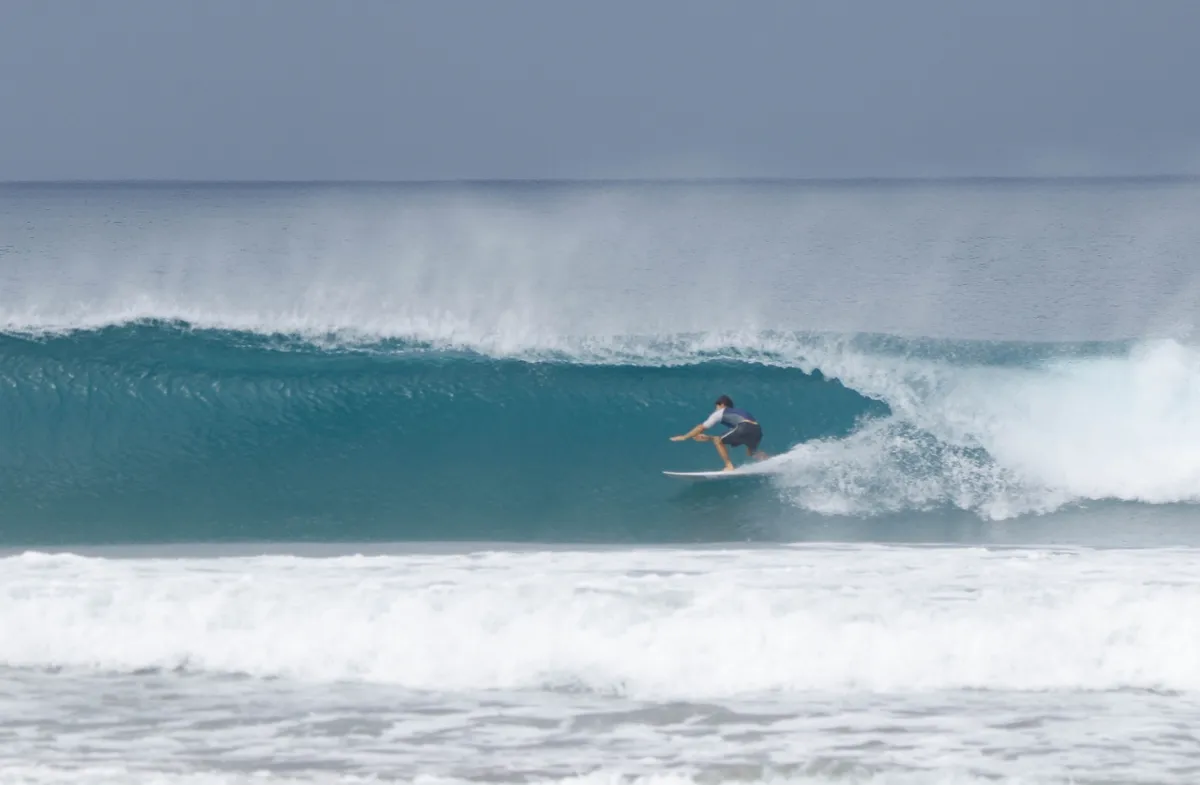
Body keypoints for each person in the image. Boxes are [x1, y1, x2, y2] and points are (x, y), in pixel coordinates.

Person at [670, 395, 767, 471]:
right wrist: (709, 438)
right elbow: (740, 435)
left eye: (716, 406)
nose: (715, 408)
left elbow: (701, 427)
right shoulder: (739, 412)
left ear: (722, 404)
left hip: (744, 427)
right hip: (757, 430)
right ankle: (768, 461)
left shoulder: (720, 412)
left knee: (718, 440)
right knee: (751, 452)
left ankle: (729, 466)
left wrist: (684, 437)